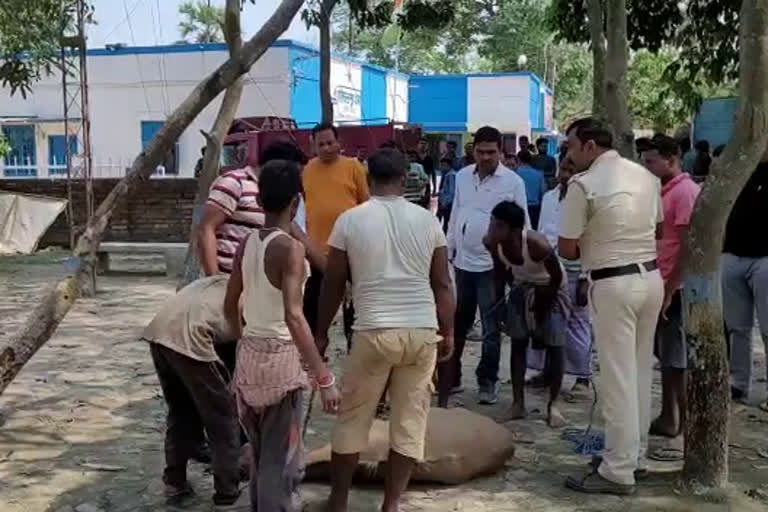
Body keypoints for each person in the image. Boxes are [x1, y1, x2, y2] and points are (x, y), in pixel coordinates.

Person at [314, 148, 455, 512]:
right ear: (406, 178)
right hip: (422, 331)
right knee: (409, 423)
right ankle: (391, 505)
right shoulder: (428, 221)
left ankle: (339, 502)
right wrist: (449, 331)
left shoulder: (350, 220)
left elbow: (333, 281)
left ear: (367, 177)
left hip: (374, 331)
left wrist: (321, 330)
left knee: (353, 420)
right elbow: (442, 284)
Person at [223, 160, 340, 512]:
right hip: (281, 365)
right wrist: (324, 377)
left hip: (249, 359)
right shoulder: (290, 249)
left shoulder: (247, 244)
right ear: (296, 203)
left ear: (259, 201)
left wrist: (243, 340)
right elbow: (294, 316)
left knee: (261, 456)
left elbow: (230, 303)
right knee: (282, 464)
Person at [560, 118, 663, 495]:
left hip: (612, 282)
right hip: (649, 277)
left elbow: (567, 248)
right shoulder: (646, 177)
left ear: (589, 145)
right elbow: (660, 230)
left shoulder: (582, 184)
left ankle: (618, 469)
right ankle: (633, 456)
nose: (567, 153)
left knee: (618, 377)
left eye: (570, 145)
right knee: (637, 372)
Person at [441, 125, 529, 406]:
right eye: (480, 152)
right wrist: (449, 246)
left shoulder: (513, 182)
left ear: (501, 152)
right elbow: (456, 211)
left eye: (491, 152)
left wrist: (512, 264)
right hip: (463, 262)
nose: (486, 157)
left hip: (492, 266)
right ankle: (451, 378)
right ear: (473, 151)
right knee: (458, 322)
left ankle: (487, 381)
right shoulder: (464, 176)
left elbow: (522, 225)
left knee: (491, 327)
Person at [142, 276, 241, 507]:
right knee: (223, 419)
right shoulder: (252, 293)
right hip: (190, 336)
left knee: (181, 411)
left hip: (160, 333)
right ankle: (227, 491)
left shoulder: (222, 281)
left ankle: (174, 480)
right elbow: (238, 348)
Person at [485, 201, 570, 427]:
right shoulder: (493, 243)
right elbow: (499, 274)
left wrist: (541, 307)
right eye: (491, 223)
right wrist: (500, 306)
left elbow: (557, 278)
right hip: (522, 286)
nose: (492, 229)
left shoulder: (535, 244)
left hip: (550, 288)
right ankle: (517, 404)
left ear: (513, 230)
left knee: (555, 345)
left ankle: (554, 405)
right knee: (518, 343)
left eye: (498, 225)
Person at [642, 134, 700, 461]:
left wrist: (669, 290)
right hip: (659, 282)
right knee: (666, 359)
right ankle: (669, 417)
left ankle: (686, 433)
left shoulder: (685, 193)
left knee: (678, 362)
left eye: (651, 161)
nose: (647, 167)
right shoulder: (661, 191)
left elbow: (689, 248)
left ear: (671, 158)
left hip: (675, 289)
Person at [530, 156, 593, 397]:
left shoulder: (586, 199)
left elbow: (588, 239)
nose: (565, 175)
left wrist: (586, 277)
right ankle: (548, 372)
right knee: (548, 320)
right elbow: (543, 232)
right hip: (549, 267)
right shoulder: (549, 198)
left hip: (577, 268)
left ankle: (583, 378)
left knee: (578, 323)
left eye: (571, 169)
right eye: (563, 169)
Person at [197, 140, 309, 276]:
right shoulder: (234, 183)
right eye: (295, 174)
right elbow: (206, 228)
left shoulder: (280, 194)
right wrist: (214, 277)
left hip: (256, 281)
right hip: (226, 278)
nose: (296, 181)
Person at [302, 123, 370, 341]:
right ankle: (315, 355)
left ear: (339, 143)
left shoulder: (353, 167)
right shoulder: (307, 169)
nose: (326, 148)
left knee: (355, 313)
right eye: (321, 144)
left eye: (330, 143)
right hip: (318, 254)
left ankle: (355, 352)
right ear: (313, 146)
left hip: (351, 252)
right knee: (312, 310)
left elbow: (366, 205)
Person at [722, 153, 768, 405]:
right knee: (736, 328)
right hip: (732, 255)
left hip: (765, 259)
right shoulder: (735, 171)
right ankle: (738, 384)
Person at [515, 150, 548, 229]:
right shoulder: (539, 174)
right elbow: (543, 192)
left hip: (519, 208)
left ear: (518, 159)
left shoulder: (515, 174)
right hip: (535, 209)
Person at [437, 157, 457, 233]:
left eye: (443, 165)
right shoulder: (446, 174)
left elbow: (452, 192)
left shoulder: (451, 175)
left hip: (447, 203)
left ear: (449, 165)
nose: (441, 167)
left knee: (446, 222)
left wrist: (445, 203)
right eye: (441, 165)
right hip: (444, 202)